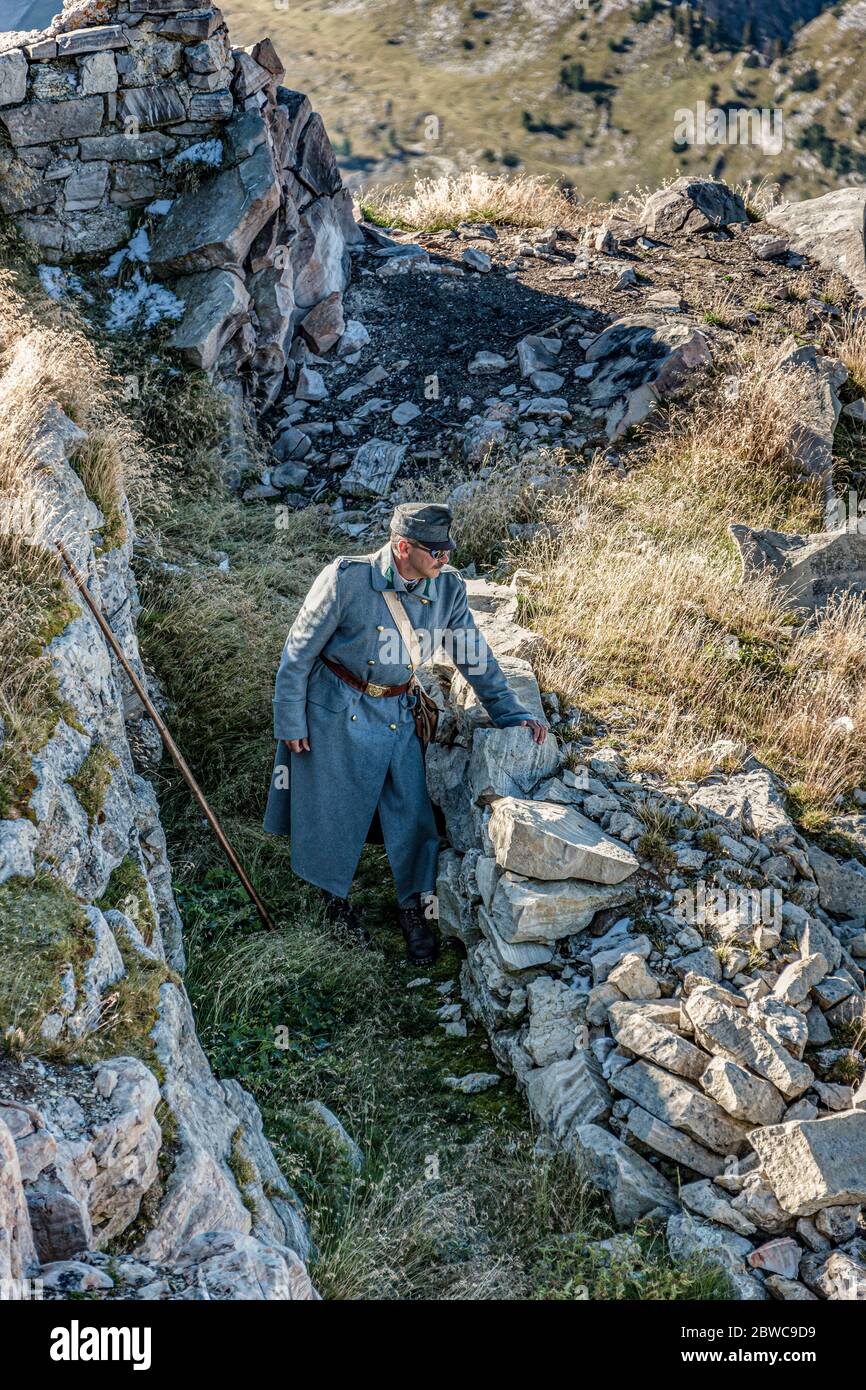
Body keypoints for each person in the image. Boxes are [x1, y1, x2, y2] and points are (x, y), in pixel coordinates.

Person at [263, 501, 547, 963]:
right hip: (337, 710)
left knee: (411, 814)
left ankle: (414, 907)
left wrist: (511, 712)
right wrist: (291, 720)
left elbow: (474, 657)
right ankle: (334, 901)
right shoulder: (345, 580)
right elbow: (297, 654)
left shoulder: (448, 589)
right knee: (332, 808)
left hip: (397, 709)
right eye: (435, 551)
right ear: (403, 547)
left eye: (448, 550)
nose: (445, 559)